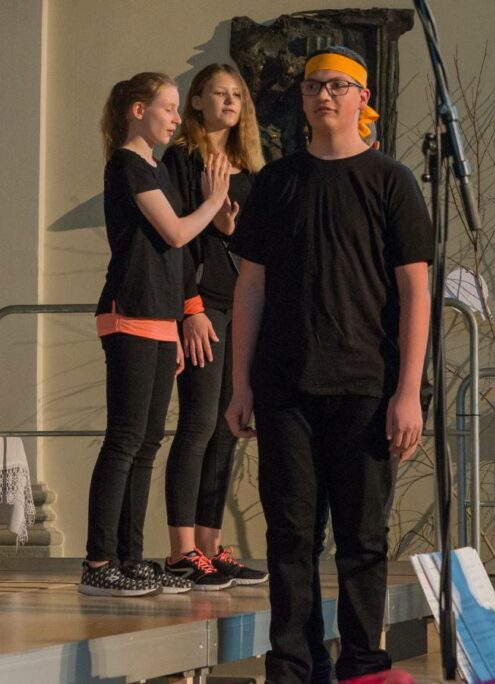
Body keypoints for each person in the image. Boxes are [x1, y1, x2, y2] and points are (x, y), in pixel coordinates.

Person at [226, 46, 432, 682]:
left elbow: (415, 291)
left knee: (363, 539)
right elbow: (250, 287)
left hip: (367, 387)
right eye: (314, 85)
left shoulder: (391, 181)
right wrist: (239, 384)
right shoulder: (276, 183)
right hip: (284, 387)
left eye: (338, 86)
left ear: (362, 99)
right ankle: (294, 664)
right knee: (291, 536)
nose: (324, 96)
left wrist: (408, 392)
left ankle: (364, 663)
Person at [81, 72, 231, 596]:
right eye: (168, 107)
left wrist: (178, 318)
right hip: (129, 312)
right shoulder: (126, 164)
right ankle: (98, 562)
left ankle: (129, 557)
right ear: (138, 111)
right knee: (125, 439)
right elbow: (175, 232)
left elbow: (176, 256)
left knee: (147, 443)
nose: (175, 117)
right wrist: (212, 201)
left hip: (160, 319)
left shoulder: (156, 168)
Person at [161, 63, 267, 590]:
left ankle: (208, 545)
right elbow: (174, 241)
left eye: (236, 95)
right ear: (197, 101)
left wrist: (229, 227)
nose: (229, 101)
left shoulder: (251, 167)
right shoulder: (181, 159)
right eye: (218, 93)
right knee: (198, 423)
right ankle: (181, 552)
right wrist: (191, 307)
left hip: (239, 307)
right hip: (202, 307)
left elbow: (253, 242)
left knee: (228, 427)